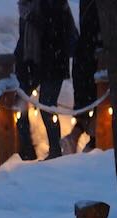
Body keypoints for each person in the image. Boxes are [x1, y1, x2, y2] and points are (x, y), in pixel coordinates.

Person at [14, 0, 77, 161]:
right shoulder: (27, 9)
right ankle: (26, 150)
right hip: (32, 65)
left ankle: (55, 150)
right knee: (20, 106)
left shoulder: (53, 5)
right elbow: (24, 40)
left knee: (47, 107)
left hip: (51, 64)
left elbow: (59, 34)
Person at [68, 0, 101, 151]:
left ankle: (82, 136)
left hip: (88, 55)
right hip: (91, 56)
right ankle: (90, 138)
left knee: (90, 100)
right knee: (93, 99)